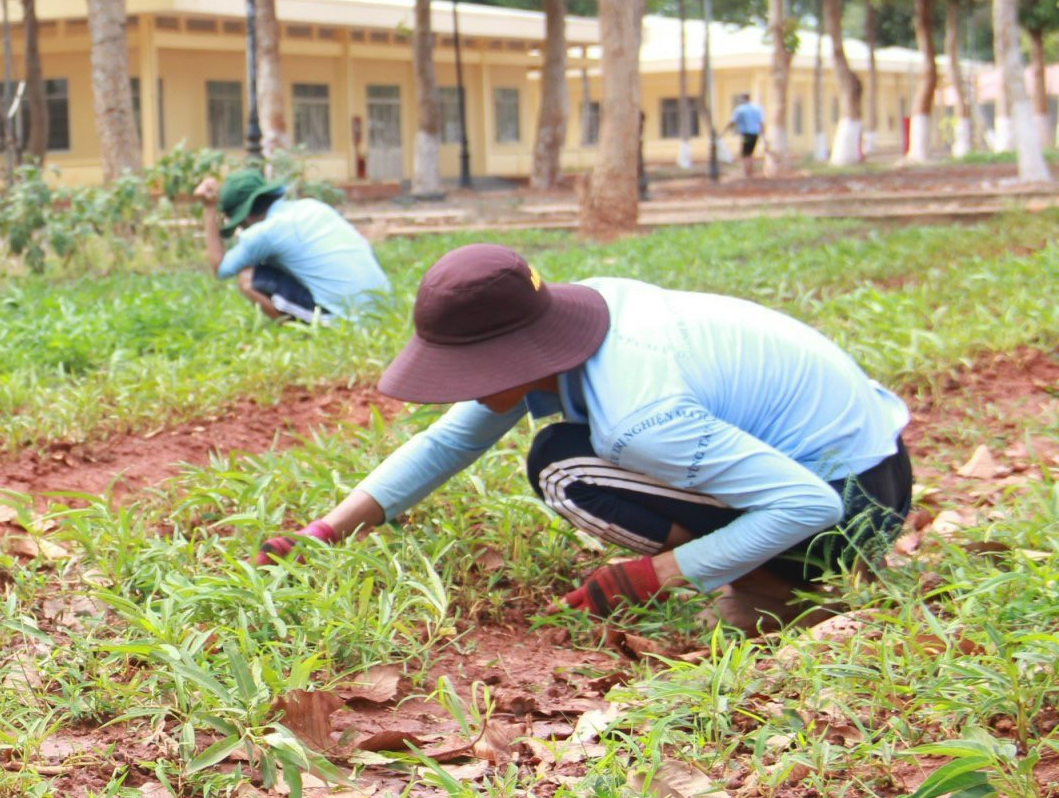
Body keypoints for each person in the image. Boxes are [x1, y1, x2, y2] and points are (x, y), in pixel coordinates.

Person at [258, 243, 912, 633]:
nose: (458, 384)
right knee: (566, 449)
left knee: (563, 466)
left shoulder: (640, 415)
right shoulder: (587, 318)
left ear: (517, 353)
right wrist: (327, 530)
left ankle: (778, 588)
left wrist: (651, 577)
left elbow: (811, 506)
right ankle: (753, 561)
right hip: (876, 462)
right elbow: (448, 442)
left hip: (850, 507)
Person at [193, 170, 389, 324]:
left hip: (348, 319)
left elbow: (220, 269)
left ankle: (299, 330)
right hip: (382, 310)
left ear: (246, 217)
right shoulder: (311, 206)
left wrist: (209, 208)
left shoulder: (264, 232)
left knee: (248, 278)